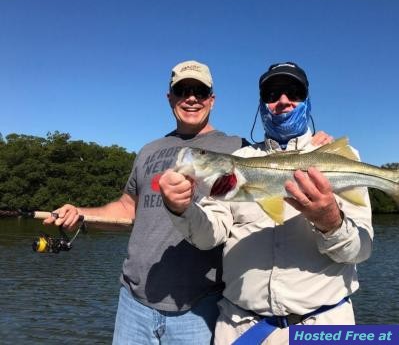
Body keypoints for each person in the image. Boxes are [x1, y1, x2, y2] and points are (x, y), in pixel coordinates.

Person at [43, 60, 331, 344]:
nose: (191, 98)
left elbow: (278, 161)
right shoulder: (148, 151)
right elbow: (127, 208)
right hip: (134, 301)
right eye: (182, 91)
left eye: (200, 91)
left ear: (212, 100)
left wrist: (314, 146)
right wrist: (80, 213)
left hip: (199, 304)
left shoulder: (240, 149)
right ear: (170, 98)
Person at [160, 62, 374, 345]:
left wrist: (331, 223)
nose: (283, 102)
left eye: (293, 92)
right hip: (240, 328)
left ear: (307, 100)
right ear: (261, 105)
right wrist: (182, 209)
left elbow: (360, 250)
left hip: (321, 326)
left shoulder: (338, 157)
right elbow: (209, 235)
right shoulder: (240, 159)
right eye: (272, 94)